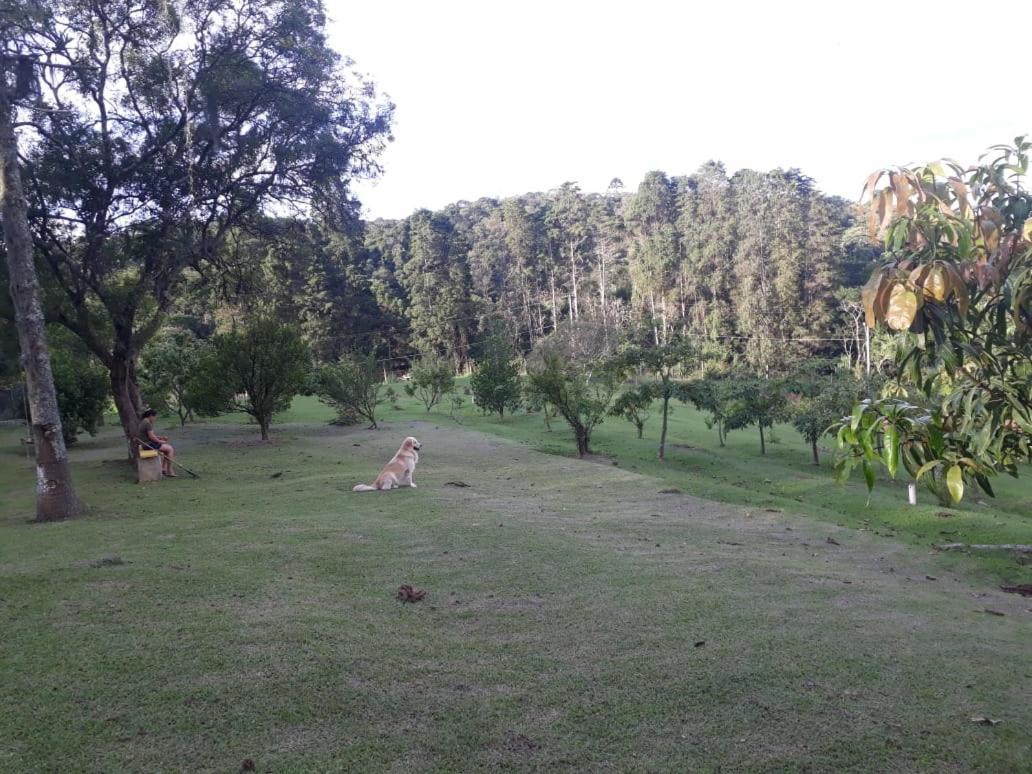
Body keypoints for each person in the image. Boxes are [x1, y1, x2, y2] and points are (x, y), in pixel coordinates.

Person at [138, 409, 176, 477]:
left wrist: (161, 437)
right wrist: (160, 441)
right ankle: (169, 471)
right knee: (170, 449)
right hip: (148, 445)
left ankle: (163, 469)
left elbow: (150, 435)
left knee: (166, 450)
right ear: (150, 416)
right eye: (154, 417)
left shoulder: (143, 422)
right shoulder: (147, 423)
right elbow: (152, 437)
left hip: (146, 444)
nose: (155, 419)